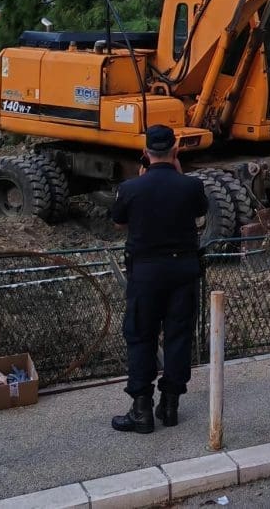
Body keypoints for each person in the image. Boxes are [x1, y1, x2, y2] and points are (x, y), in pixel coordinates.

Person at [110, 124, 207, 433]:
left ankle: (141, 411)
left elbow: (119, 223)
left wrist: (141, 185)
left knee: (141, 336)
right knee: (179, 337)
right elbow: (200, 214)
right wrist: (177, 174)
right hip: (183, 272)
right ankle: (170, 406)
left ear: (145, 153)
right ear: (175, 152)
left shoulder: (130, 189)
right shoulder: (191, 187)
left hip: (146, 274)